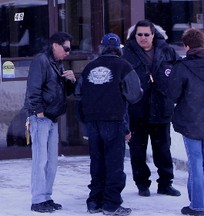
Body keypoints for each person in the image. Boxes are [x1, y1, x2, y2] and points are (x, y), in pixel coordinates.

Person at [75, 33, 142, 215]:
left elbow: (78, 94)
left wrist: (87, 117)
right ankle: (111, 204)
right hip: (114, 121)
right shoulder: (124, 66)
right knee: (114, 164)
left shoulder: (89, 67)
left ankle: (94, 201)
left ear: (102, 47)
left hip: (92, 122)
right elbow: (135, 95)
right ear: (119, 48)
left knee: (97, 162)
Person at [167, 28, 204, 215]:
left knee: (196, 162)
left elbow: (173, 94)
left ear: (187, 45)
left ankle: (198, 206)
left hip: (191, 120)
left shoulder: (183, 66)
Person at [122, 19, 181, 197]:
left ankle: (165, 183)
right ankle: (142, 184)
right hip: (136, 110)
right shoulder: (126, 53)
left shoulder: (167, 50)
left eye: (146, 34)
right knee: (138, 151)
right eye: (139, 34)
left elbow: (179, 74)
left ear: (153, 34)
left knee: (163, 149)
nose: (143, 38)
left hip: (161, 108)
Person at [24, 32, 76, 213]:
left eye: (70, 49)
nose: (68, 52)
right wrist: (38, 111)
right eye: (66, 48)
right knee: (41, 159)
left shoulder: (57, 64)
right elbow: (33, 87)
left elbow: (64, 92)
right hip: (40, 117)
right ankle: (38, 199)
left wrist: (71, 81)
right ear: (55, 45)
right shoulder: (41, 61)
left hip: (52, 117)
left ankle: (46, 196)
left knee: (51, 161)